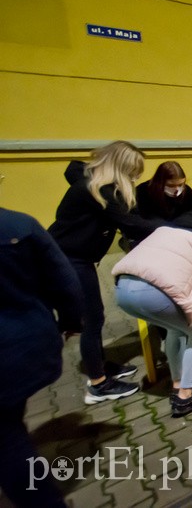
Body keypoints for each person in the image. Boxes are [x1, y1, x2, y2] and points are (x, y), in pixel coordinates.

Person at [48, 141, 162, 404]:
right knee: (92, 319)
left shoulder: (95, 186)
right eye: (133, 171)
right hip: (69, 260)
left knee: (94, 316)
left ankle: (99, 365)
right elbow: (130, 223)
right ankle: (98, 385)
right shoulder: (97, 190)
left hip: (78, 258)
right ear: (120, 167)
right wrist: (172, 229)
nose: (135, 177)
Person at [112, 202, 192, 417]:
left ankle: (177, 383)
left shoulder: (166, 229)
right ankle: (186, 396)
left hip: (123, 290)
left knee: (176, 330)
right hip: (154, 294)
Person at [1, 205, 83, 506]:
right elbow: (65, 281)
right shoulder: (19, 224)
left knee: (8, 439)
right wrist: (72, 322)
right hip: (26, 344)